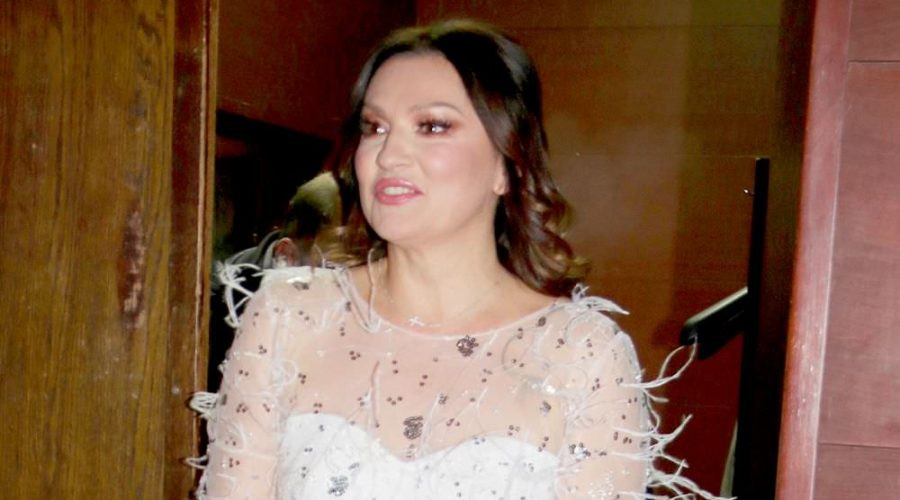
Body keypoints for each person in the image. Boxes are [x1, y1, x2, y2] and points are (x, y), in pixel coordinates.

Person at [191, 19, 725, 499]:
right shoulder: (290, 315)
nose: (389, 154)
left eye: (432, 126)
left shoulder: (580, 354)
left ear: (508, 164)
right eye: (375, 127)